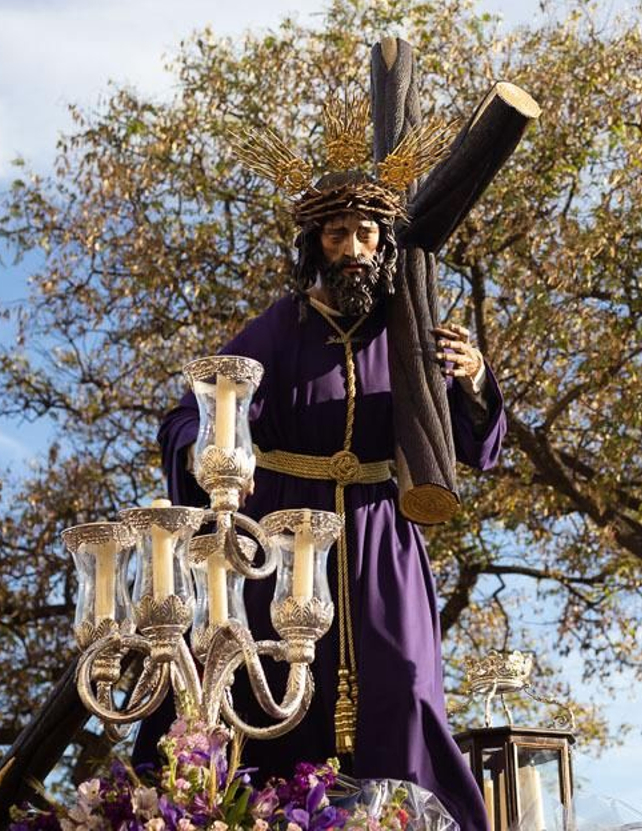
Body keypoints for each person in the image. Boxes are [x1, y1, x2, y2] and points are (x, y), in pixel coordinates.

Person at [137, 168, 502, 831]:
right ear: (315, 243)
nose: (355, 247)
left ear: (385, 246)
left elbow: (470, 445)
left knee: (409, 685)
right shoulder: (279, 328)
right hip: (280, 537)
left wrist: (474, 378)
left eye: (368, 233)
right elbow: (189, 412)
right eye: (339, 233)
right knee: (262, 687)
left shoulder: (409, 333)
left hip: (381, 541)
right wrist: (210, 444)